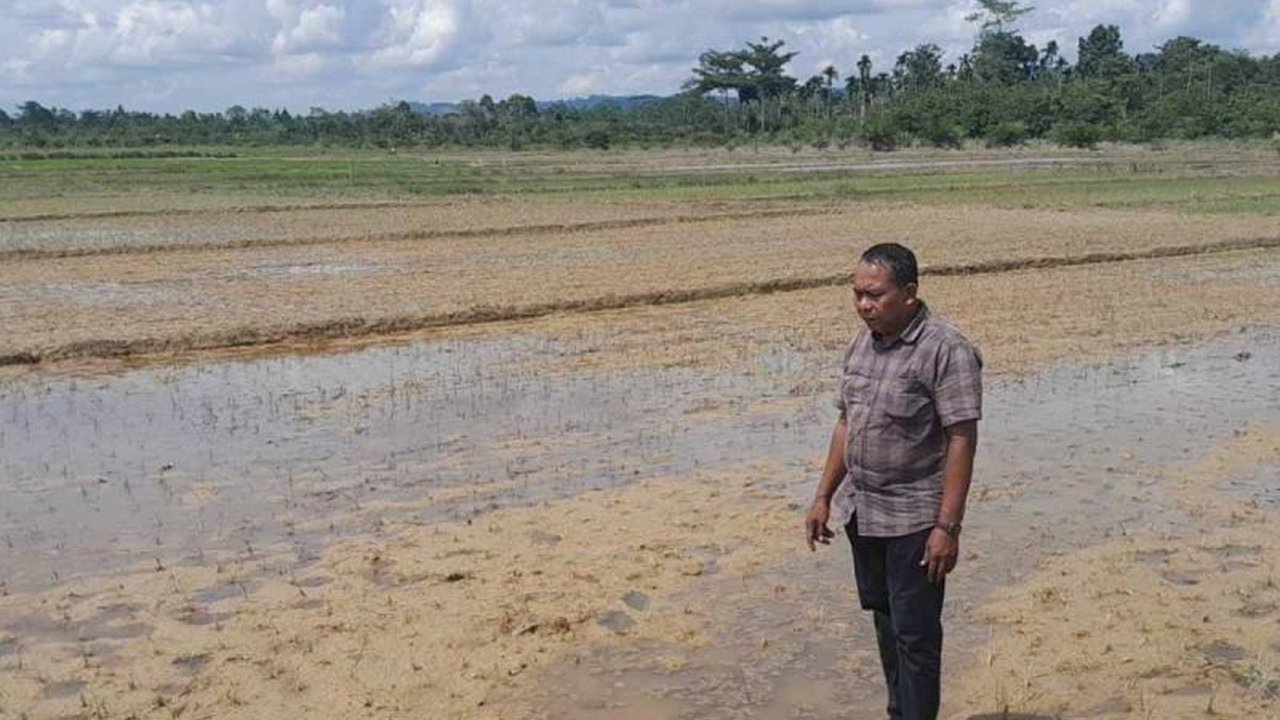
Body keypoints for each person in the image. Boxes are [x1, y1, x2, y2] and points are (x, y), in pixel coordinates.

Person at [805, 242, 982, 720]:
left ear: (909, 293)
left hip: (915, 521)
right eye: (857, 294)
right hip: (864, 514)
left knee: (917, 636)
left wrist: (947, 528)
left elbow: (962, 438)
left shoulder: (946, 350)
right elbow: (846, 423)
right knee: (886, 624)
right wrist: (823, 495)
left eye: (875, 295)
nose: (864, 305)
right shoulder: (862, 344)